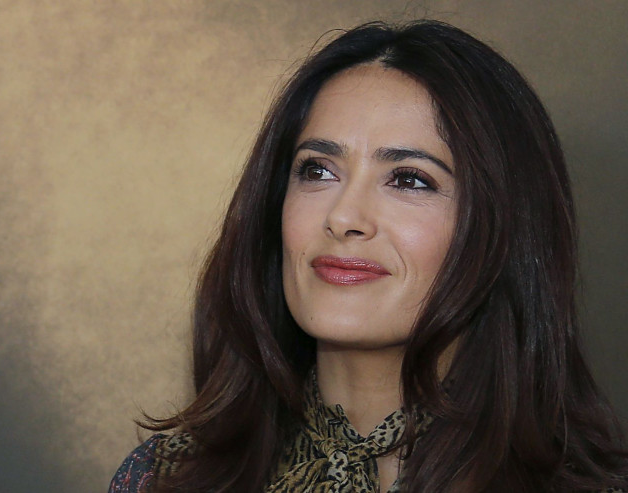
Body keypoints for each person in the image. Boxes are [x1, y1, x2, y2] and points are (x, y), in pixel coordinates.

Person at [108, 20, 628, 492]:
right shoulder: (163, 479)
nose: (343, 216)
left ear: (505, 227)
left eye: (408, 179)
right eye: (318, 170)